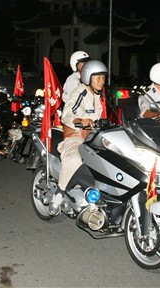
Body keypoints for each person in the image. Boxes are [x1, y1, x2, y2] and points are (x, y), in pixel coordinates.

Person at [50, 60, 107, 215]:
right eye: (98, 77)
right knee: (74, 158)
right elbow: (68, 114)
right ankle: (59, 193)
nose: (102, 81)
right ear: (88, 77)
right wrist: (81, 121)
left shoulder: (98, 96)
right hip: (76, 137)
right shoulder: (80, 93)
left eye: (103, 77)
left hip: (93, 139)